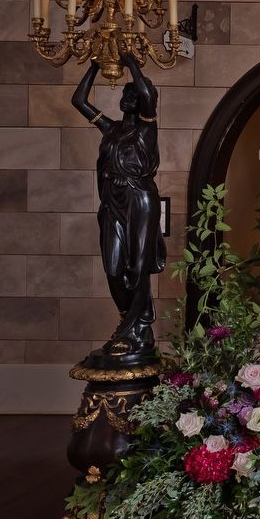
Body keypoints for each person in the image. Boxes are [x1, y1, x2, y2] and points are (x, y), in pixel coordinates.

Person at [71, 53, 166, 364]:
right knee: (114, 269)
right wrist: (95, 64)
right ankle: (131, 322)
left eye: (132, 94)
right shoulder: (110, 129)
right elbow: (79, 100)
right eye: (125, 93)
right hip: (113, 201)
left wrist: (131, 62)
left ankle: (136, 332)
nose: (126, 96)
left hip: (141, 199)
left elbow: (149, 94)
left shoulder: (146, 128)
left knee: (139, 269)